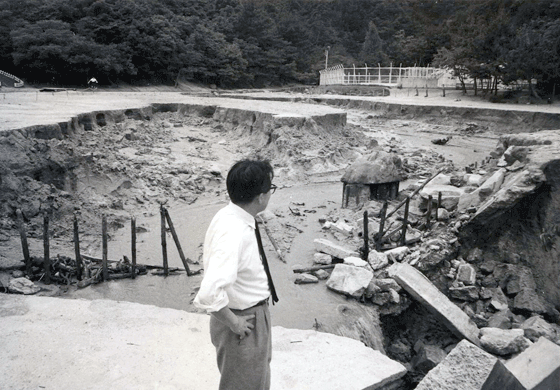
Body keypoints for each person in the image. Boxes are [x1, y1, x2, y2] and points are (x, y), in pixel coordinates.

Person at [194, 159, 279, 390]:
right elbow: (209, 293)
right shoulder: (235, 231)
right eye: (270, 189)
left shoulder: (231, 215)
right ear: (261, 196)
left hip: (250, 314)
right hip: (244, 319)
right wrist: (235, 323)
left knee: (254, 381)